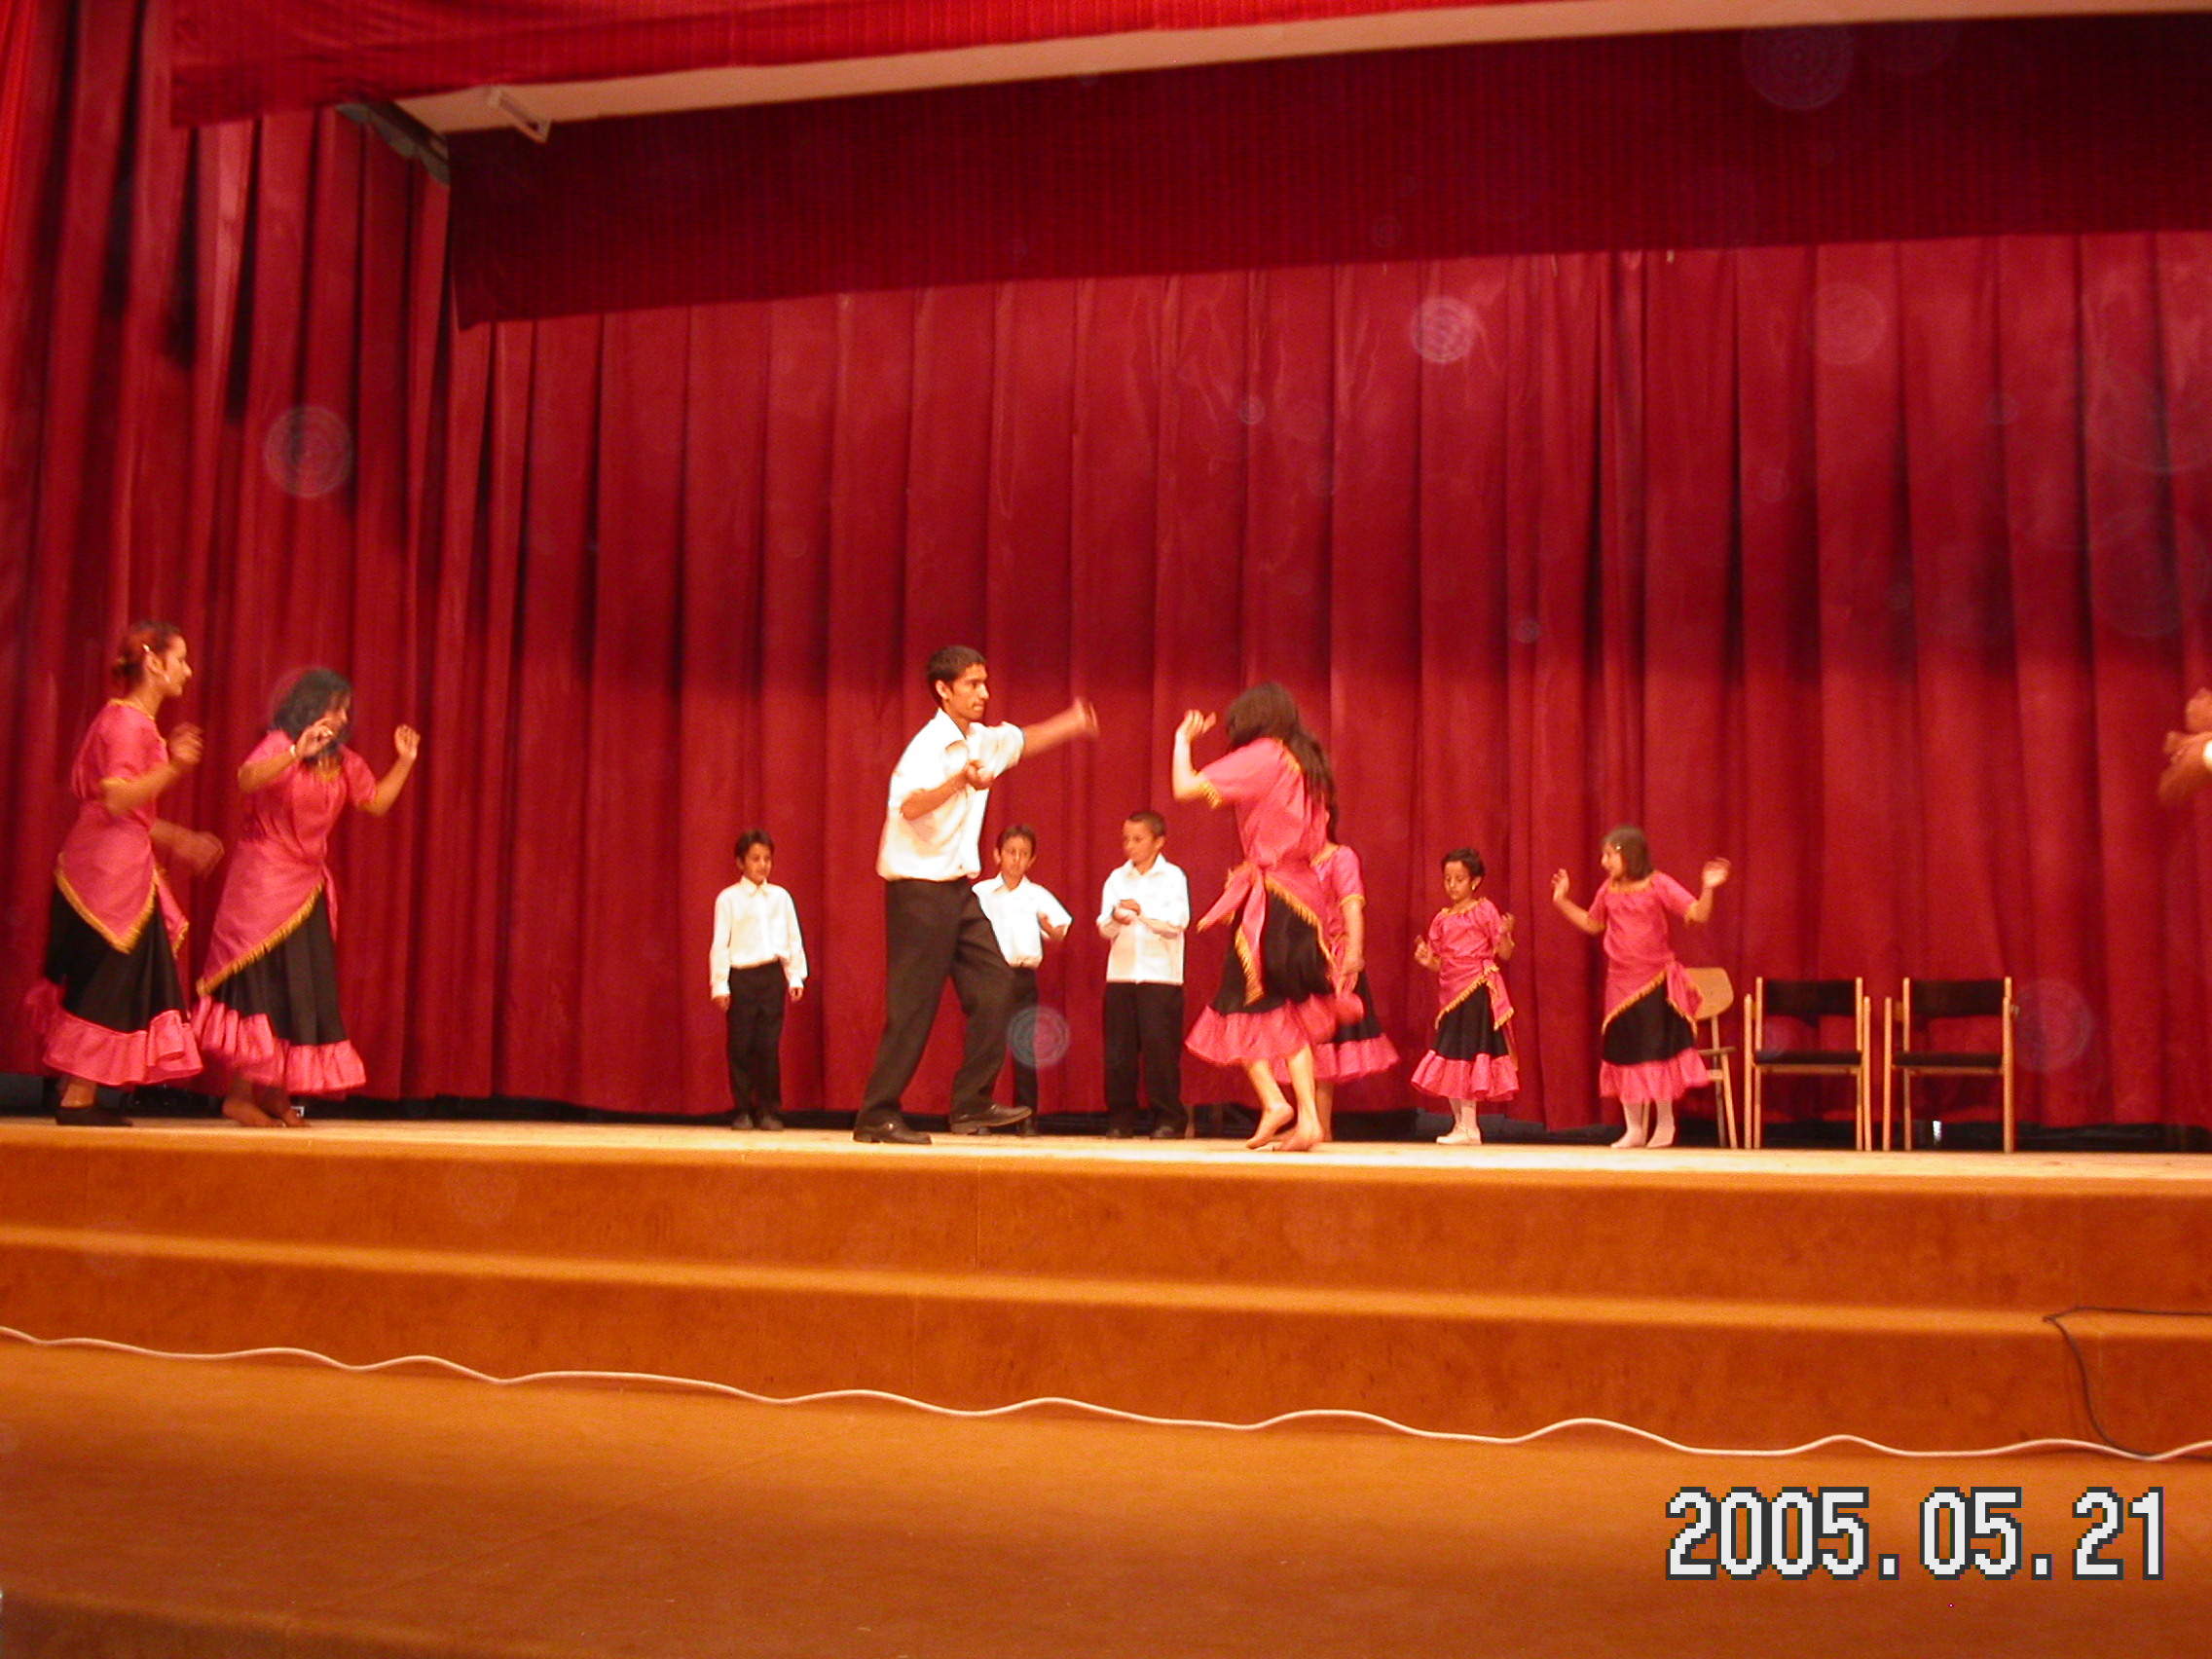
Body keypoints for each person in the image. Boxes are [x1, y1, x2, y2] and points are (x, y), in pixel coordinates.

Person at [857, 646, 1097, 1145]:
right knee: (913, 1007)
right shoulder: (927, 747)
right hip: (918, 894)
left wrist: (1072, 722)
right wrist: (959, 781)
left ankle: (971, 1101)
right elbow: (908, 806)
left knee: (998, 987)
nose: (983, 693)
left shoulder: (983, 741)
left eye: (984, 683)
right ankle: (877, 1114)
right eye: (971, 684)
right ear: (943, 690)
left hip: (957, 893)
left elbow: (1025, 740)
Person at [193, 669, 419, 1126]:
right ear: (310, 707)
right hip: (262, 886)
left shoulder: (343, 761)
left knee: (300, 990)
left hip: (307, 887)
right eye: (336, 708)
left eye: (346, 710)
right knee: (260, 987)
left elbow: (374, 802)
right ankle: (239, 1095)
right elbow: (246, 779)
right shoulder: (280, 744)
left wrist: (405, 762)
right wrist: (298, 751)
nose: (343, 718)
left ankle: (278, 1094)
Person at [28, 621, 223, 1125]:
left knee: (115, 972)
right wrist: (174, 767)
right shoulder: (126, 724)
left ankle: (79, 1089)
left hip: (116, 863)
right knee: (111, 976)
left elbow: (128, 812)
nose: (188, 671)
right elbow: (116, 800)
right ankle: (77, 1096)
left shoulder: (132, 722)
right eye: (180, 659)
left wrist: (179, 838)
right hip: (108, 873)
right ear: (154, 663)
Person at [1172, 682, 1353, 1154]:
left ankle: (1283, 1106)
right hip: (1302, 895)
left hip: (1274, 898)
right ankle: (1298, 1113)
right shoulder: (1304, 761)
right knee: (1282, 1004)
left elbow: (1184, 786)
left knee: (1248, 999)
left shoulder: (1266, 755)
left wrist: (1181, 741)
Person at [1550, 826, 1728, 1150]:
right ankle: (1634, 1128)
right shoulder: (1608, 889)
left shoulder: (1658, 883)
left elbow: (1698, 913)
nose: (1604, 862)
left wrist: (1708, 888)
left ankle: (1665, 1122)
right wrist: (1562, 901)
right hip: (1620, 984)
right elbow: (1592, 923)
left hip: (1654, 980)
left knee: (1655, 1051)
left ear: (1628, 854)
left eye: (1609, 855)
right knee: (1626, 1051)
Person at [1268, 828, 1398, 1141]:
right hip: (1300, 957)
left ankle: (1319, 1124)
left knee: (1323, 1041)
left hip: (1331, 957)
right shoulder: (1294, 862)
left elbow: (1351, 904)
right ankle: (1309, 1120)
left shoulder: (1341, 858)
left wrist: (1354, 951)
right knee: (1300, 1039)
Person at [1410, 847, 1517, 1146]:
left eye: (1459, 879)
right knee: (1452, 1054)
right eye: (1447, 879)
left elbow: (1504, 952)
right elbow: (1439, 963)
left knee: (1468, 1053)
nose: (1452, 885)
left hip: (1475, 990)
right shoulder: (1441, 919)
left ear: (1475, 881)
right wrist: (1426, 960)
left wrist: (1506, 934)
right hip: (1450, 995)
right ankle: (1461, 1124)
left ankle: (1470, 1125)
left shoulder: (1484, 910)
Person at [1096, 810, 1190, 1139]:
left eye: (1138, 839)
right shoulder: (1116, 878)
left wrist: (1142, 912)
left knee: (1160, 1052)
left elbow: (1178, 922)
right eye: (1126, 839)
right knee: (1119, 1053)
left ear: (1158, 841)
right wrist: (1115, 919)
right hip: (1121, 976)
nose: (1130, 846)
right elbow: (1104, 928)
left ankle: (1169, 1119)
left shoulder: (1173, 877)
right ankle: (1121, 1118)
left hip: (1160, 977)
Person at [974, 824, 1071, 1135]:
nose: (1016, 859)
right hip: (989, 975)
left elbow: (1060, 929)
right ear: (997, 855)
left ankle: (1026, 1116)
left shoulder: (1036, 895)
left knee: (1023, 1045)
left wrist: (1052, 930)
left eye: (1023, 854)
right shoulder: (981, 893)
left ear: (1032, 860)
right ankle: (978, 1112)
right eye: (1010, 852)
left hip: (1023, 976)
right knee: (985, 1044)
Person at [711, 829, 807, 1130]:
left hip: (770, 977)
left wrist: (795, 976)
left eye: (767, 859)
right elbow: (720, 944)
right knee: (741, 1045)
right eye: (755, 859)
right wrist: (720, 984)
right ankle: (742, 1109)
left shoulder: (780, 897)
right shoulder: (728, 899)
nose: (762, 865)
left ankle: (768, 1110)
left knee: (768, 1046)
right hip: (742, 977)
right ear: (741, 863)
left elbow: (792, 938)